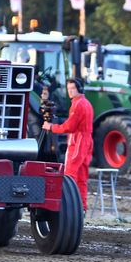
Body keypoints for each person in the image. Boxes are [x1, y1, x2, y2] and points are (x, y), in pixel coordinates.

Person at [42, 78, 93, 214]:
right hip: (87, 140)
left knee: (69, 174)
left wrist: (51, 127)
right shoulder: (87, 103)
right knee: (82, 175)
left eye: (72, 89)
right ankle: (82, 207)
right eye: (69, 88)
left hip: (78, 141)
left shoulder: (77, 104)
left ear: (79, 89)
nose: (70, 91)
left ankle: (67, 207)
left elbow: (70, 126)